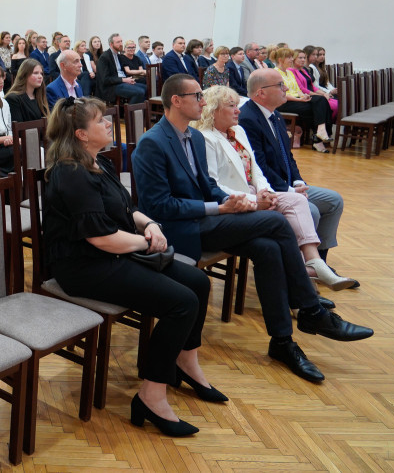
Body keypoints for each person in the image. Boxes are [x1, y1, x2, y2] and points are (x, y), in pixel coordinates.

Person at [132, 74, 372, 384]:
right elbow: (160, 207)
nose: (203, 102)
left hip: (204, 219)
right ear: (176, 101)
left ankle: (282, 342)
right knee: (274, 220)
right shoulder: (154, 142)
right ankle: (312, 311)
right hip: (181, 230)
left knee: (268, 248)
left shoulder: (190, 137)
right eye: (197, 96)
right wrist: (220, 207)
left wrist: (230, 199)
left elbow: (206, 185)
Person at [44, 97, 218, 437]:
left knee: (197, 282)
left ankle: (185, 362)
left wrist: (149, 224)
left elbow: (126, 209)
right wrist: (147, 242)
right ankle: (151, 396)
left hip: (115, 253)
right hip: (86, 267)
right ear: (81, 134)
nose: (109, 124)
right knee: (181, 303)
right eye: (101, 121)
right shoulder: (71, 173)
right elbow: (101, 239)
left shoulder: (99, 162)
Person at [196, 86, 357, 290]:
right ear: (213, 109)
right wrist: (256, 200)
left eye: (237, 105)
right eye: (231, 106)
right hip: (235, 202)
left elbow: (256, 169)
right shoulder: (205, 137)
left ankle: (313, 262)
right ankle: (303, 278)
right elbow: (214, 185)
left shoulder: (237, 130)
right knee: (292, 214)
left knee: (300, 200)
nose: (238, 110)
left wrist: (266, 191)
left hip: (256, 193)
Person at [239, 69, 355, 284]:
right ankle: (300, 273)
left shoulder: (274, 114)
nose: (286, 89)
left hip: (288, 184)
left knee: (333, 201)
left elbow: (288, 157)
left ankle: (319, 262)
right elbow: (259, 167)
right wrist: (290, 190)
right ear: (261, 93)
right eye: (280, 85)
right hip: (269, 188)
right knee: (309, 210)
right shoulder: (248, 119)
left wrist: (298, 181)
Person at [271, 48, 332, 150]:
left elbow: (298, 89)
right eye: (289, 57)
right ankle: (320, 136)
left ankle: (320, 132)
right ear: (281, 60)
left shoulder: (289, 72)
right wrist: (299, 100)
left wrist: (304, 96)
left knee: (321, 101)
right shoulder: (275, 73)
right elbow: (280, 94)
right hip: (284, 103)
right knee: (317, 106)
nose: (292, 59)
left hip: (296, 99)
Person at [96, 33, 146, 104]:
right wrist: (123, 80)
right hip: (112, 86)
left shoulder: (119, 56)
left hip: (122, 81)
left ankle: (139, 112)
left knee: (146, 88)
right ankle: (129, 113)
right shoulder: (105, 57)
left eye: (121, 41)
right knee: (139, 92)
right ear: (111, 44)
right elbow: (105, 79)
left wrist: (127, 79)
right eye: (118, 42)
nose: (121, 44)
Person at [292, 50, 337, 119]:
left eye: (304, 58)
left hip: (313, 93)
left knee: (337, 104)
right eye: (300, 58)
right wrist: (321, 95)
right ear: (294, 59)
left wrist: (324, 93)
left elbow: (313, 86)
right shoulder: (292, 71)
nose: (303, 60)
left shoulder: (304, 70)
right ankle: (323, 127)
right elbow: (302, 89)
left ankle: (327, 126)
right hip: (306, 95)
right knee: (327, 104)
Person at [5, 58, 49, 123]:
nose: (40, 76)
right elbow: (19, 128)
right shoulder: (13, 98)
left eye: (41, 73)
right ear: (24, 75)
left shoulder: (40, 96)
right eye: (36, 73)